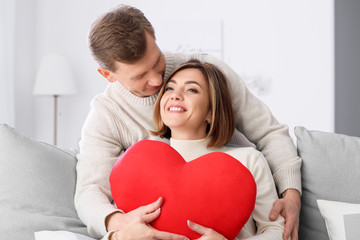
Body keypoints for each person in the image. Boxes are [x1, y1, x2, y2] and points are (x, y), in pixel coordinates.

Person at [75, 4, 301, 240]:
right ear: (108, 75)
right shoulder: (106, 115)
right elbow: (89, 192)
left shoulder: (207, 72)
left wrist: (292, 195)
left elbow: (268, 132)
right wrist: (120, 224)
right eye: (140, 75)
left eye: (156, 62)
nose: (157, 81)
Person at [148, 59, 285, 239]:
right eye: (169, 88)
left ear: (211, 111)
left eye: (192, 89)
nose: (175, 95)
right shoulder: (147, 164)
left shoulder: (248, 160)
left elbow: (276, 231)